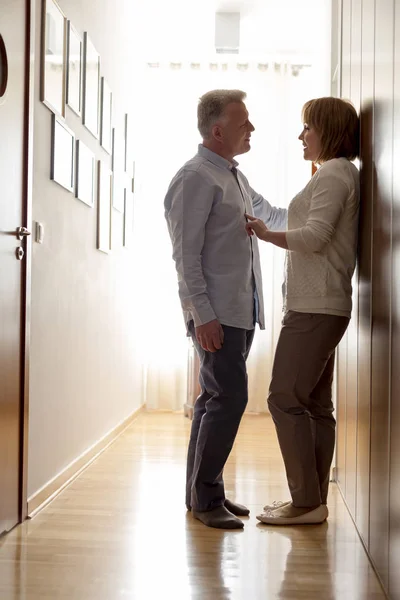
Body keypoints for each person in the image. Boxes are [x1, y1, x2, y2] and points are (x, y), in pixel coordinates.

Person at [164, 90, 287, 530]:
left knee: (213, 400)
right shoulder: (196, 177)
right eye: (243, 123)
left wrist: (318, 218)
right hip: (217, 314)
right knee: (229, 398)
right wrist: (203, 316)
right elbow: (186, 256)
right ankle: (205, 498)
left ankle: (203, 493)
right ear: (218, 131)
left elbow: (269, 213)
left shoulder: (232, 175)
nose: (251, 129)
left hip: (240, 309)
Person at [245, 97, 360, 525]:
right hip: (323, 305)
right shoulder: (338, 173)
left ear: (327, 130)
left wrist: (265, 235)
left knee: (283, 397)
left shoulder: (333, 173)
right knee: (313, 403)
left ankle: (306, 502)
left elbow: (314, 237)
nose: (301, 135)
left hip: (315, 307)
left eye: (307, 127)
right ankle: (311, 501)